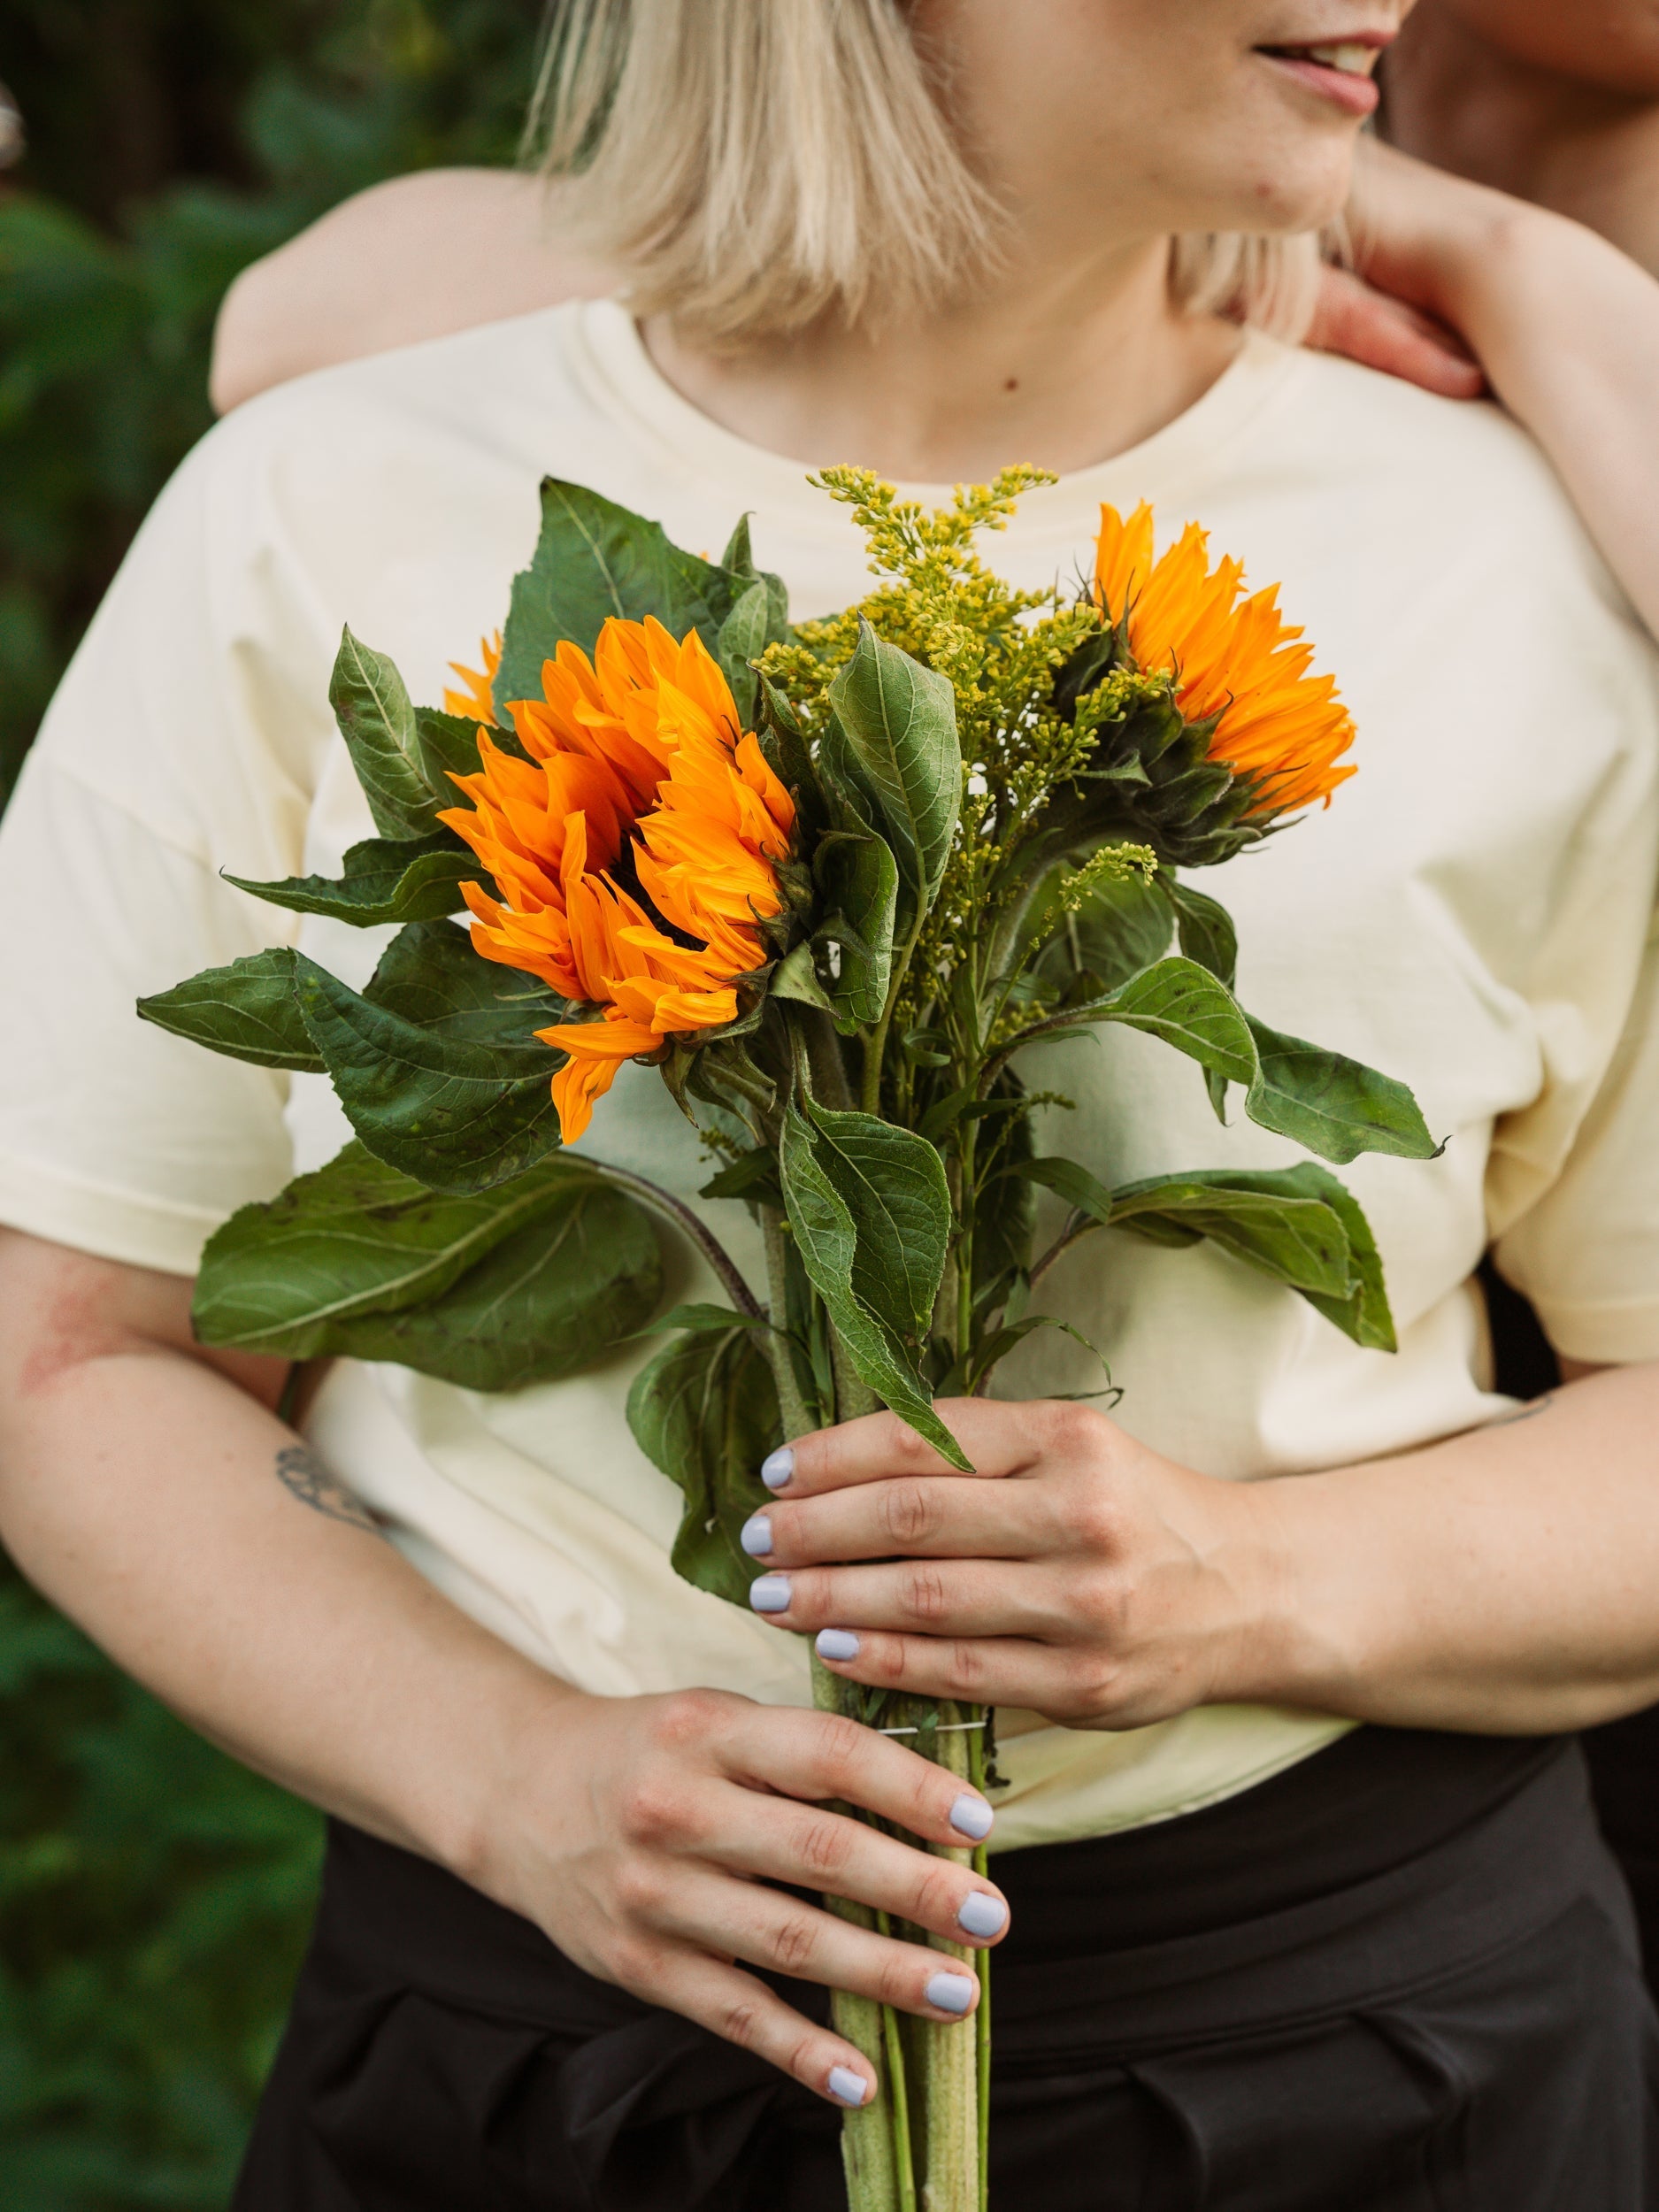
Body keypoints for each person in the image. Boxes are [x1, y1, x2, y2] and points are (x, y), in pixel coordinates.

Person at [3, 4, 1659, 2204]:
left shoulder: (1530, 552)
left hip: (1362, 2072)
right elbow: (75, 1343)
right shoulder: (333, 504)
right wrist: (511, 1773)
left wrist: (1249, 1579)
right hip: (526, 2082)